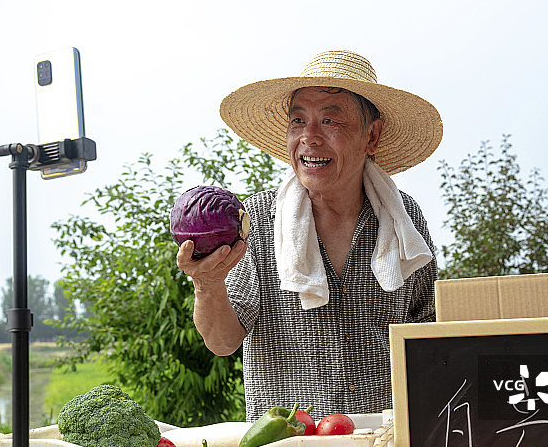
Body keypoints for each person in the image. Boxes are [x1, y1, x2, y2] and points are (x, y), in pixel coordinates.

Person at [177, 49, 443, 421]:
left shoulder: (404, 219)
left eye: (330, 120)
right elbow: (222, 342)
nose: (309, 137)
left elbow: (429, 334)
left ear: (372, 136)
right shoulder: (257, 220)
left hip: (385, 445)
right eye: (298, 120)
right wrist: (207, 284)